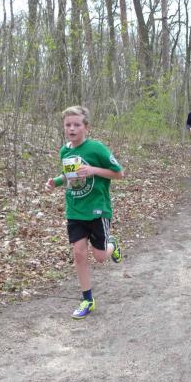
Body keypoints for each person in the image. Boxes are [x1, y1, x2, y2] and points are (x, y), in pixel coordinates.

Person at [45, 105, 124, 319]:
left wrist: (93, 170)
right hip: (75, 210)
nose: (72, 129)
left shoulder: (96, 149)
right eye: (68, 125)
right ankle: (87, 299)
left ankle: (112, 244)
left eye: (77, 125)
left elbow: (119, 174)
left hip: (97, 209)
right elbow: (69, 175)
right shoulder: (65, 151)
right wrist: (56, 182)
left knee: (100, 257)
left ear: (86, 127)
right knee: (79, 253)